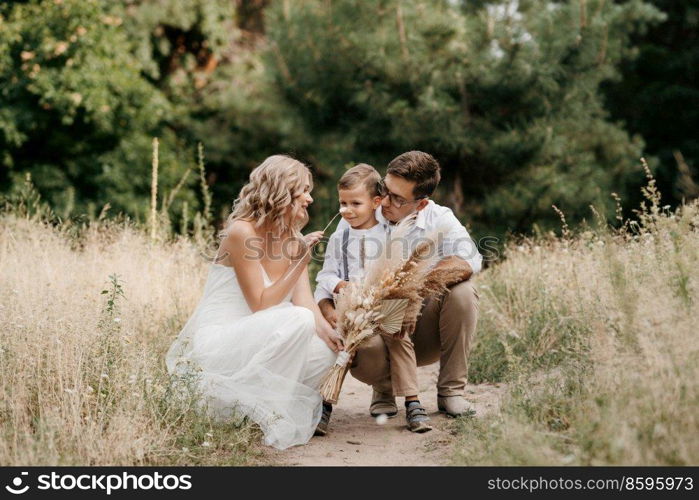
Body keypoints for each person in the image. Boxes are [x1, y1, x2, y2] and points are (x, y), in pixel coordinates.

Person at [166, 155, 343, 450]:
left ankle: (256, 405)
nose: (310, 198)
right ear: (282, 191)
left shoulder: (291, 235)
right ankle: (268, 411)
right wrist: (300, 261)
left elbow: (304, 301)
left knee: (324, 351)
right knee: (297, 320)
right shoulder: (241, 232)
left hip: (261, 335)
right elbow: (261, 304)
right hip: (222, 341)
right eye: (304, 190)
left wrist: (332, 336)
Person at [316, 151, 482, 419]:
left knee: (463, 291)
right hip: (370, 339)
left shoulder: (439, 218)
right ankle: (383, 389)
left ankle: (451, 391)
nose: (385, 203)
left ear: (421, 203)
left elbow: (470, 260)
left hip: (419, 331)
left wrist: (410, 294)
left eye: (397, 199)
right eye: (385, 190)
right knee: (370, 335)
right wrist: (331, 311)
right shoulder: (361, 216)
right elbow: (326, 280)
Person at [314, 164, 432, 434]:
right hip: (352, 305)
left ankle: (413, 402)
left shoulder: (392, 233)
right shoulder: (340, 237)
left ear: (376, 202)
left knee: (398, 337)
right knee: (344, 342)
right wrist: (339, 285)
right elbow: (325, 275)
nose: (346, 210)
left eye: (355, 203)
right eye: (342, 203)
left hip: (385, 303)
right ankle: (324, 406)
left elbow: (401, 272)